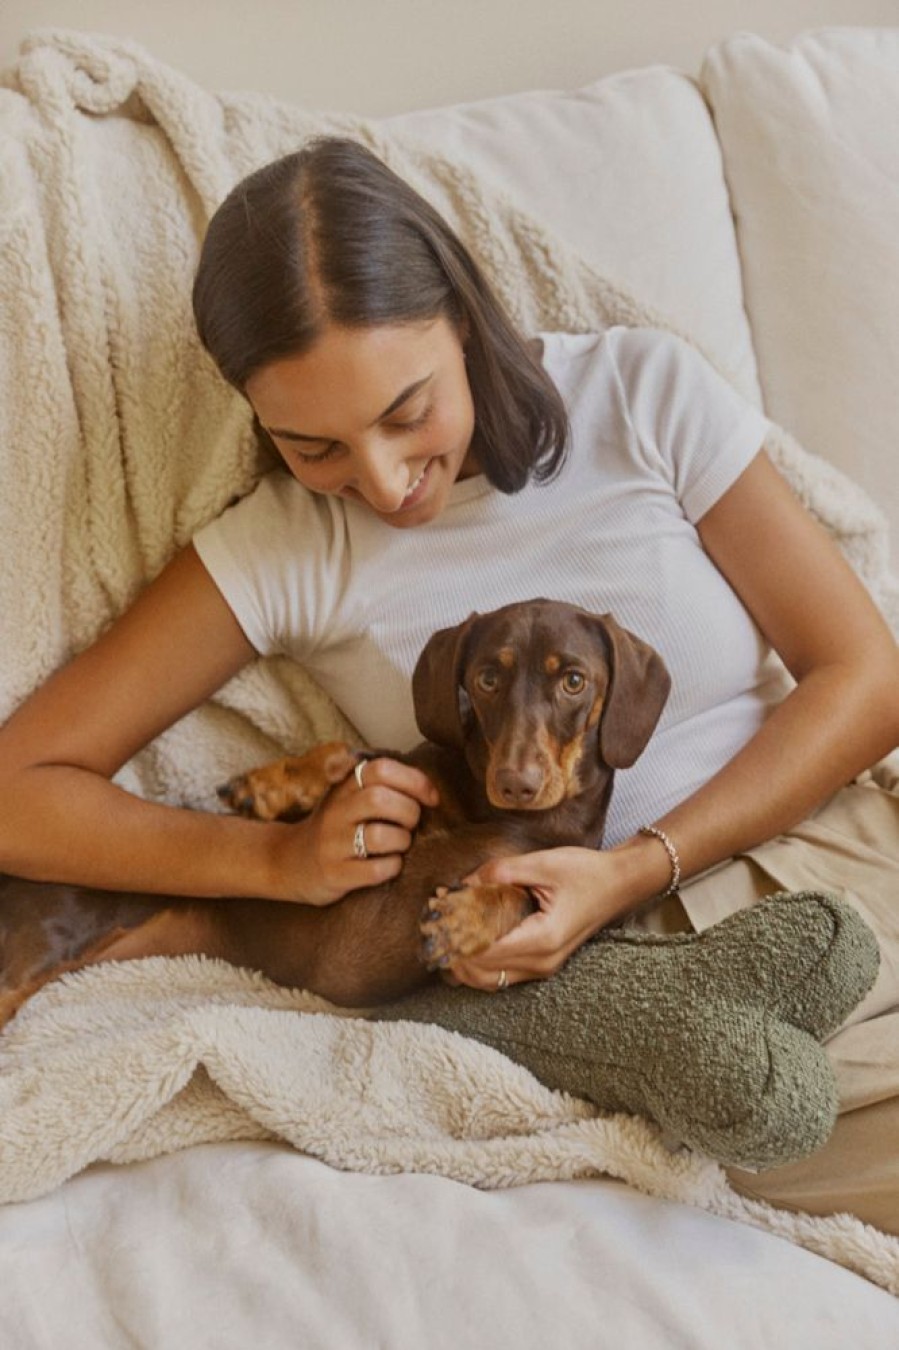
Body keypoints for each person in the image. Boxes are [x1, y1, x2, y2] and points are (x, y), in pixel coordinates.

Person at [0, 138, 897, 1229]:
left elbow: (860, 676)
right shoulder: (287, 545)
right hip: (654, 978)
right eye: (311, 444)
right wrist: (275, 860)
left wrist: (638, 865)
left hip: (846, 851)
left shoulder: (636, 392)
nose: (378, 482)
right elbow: (21, 786)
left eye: (404, 411)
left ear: (463, 321)